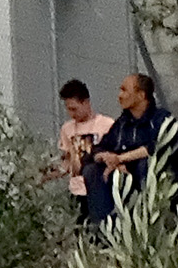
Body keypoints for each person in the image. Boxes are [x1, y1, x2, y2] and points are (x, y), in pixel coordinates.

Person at [88, 72, 171, 224]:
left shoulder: (161, 118)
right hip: (122, 175)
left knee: (145, 165)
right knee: (92, 170)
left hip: (154, 182)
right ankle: (103, 230)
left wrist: (120, 158)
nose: (119, 95)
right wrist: (108, 159)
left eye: (124, 90)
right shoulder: (122, 123)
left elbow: (157, 147)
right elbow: (100, 147)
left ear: (141, 95)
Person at [57, 79, 112, 229]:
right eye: (68, 109)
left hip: (99, 187)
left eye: (74, 109)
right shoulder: (67, 129)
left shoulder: (106, 125)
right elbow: (66, 161)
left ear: (86, 102)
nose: (71, 114)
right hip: (76, 188)